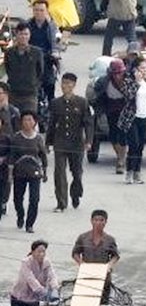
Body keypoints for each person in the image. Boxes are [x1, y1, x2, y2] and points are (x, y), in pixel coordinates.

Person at [46, 73, 93, 212]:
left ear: (73, 85)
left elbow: (88, 124)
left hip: (76, 143)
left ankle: (75, 193)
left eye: (68, 83)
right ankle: (61, 203)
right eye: (63, 83)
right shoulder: (55, 103)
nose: (65, 86)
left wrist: (89, 141)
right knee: (59, 173)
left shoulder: (82, 102)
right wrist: (48, 142)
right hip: (60, 142)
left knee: (77, 173)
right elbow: (51, 124)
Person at [10, 240, 58, 306]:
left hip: (33, 299)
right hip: (18, 297)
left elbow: (52, 276)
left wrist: (54, 288)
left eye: (43, 251)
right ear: (32, 252)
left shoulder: (47, 262)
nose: (41, 254)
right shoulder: (26, 262)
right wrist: (44, 292)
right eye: (39, 251)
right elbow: (31, 280)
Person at [10, 111, 48, 233]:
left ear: (34, 122)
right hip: (19, 173)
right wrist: (10, 173)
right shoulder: (16, 138)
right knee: (17, 199)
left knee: (34, 199)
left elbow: (43, 156)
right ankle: (20, 215)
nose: (27, 122)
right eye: (25, 120)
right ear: (21, 122)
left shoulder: (38, 138)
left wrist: (45, 172)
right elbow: (12, 156)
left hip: (34, 173)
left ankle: (29, 224)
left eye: (30, 120)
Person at [92, 59, 130, 174]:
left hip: (126, 110)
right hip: (111, 109)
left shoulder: (129, 81)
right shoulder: (104, 82)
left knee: (123, 134)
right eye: (115, 73)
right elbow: (96, 93)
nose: (118, 76)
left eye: (120, 73)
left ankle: (120, 161)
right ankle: (120, 155)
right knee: (113, 135)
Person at [119, 60, 146, 185]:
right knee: (134, 145)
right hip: (132, 118)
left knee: (140, 147)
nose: (144, 70)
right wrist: (137, 83)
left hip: (144, 117)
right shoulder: (129, 82)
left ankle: (137, 173)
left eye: (145, 68)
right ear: (135, 70)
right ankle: (129, 172)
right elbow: (128, 96)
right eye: (142, 68)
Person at [27, 0, 61, 104]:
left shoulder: (51, 26)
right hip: (30, 59)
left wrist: (55, 53)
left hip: (46, 59)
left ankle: (51, 108)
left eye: (41, 10)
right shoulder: (27, 25)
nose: (39, 13)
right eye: (36, 10)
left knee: (50, 85)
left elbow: (56, 44)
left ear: (46, 11)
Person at [6, 23, 44, 113]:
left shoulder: (37, 52)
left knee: (29, 121)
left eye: (26, 34)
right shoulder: (9, 52)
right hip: (13, 93)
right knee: (14, 120)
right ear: (16, 35)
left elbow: (40, 72)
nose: (23, 37)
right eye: (21, 34)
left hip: (30, 94)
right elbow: (8, 69)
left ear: (30, 35)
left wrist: (34, 85)